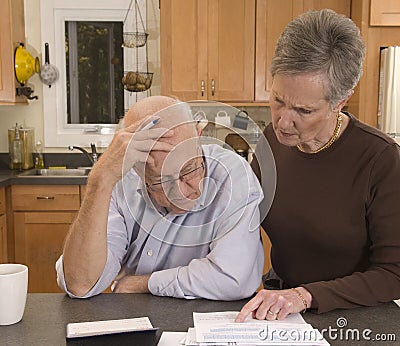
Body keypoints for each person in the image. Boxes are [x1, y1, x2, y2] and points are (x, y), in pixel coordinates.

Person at [236, 9, 400, 322]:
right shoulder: (270, 140)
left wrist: (305, 296)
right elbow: (244, 217)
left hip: (351, 317)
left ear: (341, 101)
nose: (283, 121)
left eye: (303, 110)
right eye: (278, 100)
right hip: (279, 306)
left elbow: (394, 273)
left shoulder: (380, 159)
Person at [56, 95, 264, 300]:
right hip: (135, 320)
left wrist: (144, 283)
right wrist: (100, 181)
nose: (181, 193)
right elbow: (81, 284)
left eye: (189, 170)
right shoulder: (120, 180)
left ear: (199, 136)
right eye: (161, 182)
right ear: (136, 171)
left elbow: (233, 278)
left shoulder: (234, 175)